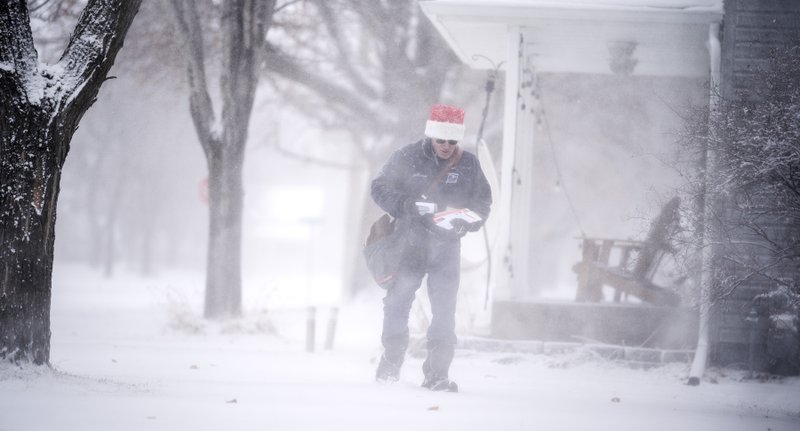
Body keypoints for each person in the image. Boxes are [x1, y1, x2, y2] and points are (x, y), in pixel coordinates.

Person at [370, 103, 492, 392]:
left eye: (453, 141)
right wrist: (405, 206)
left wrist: (468, 222)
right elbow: (379, 187)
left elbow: (483, 202)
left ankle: (437, 375)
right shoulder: (407, 157)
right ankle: (392, 358)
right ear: (431, 136)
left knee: (444, 312)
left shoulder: (469, 164)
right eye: (441, 140)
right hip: (408, 245)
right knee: (398, 304)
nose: (447, 147)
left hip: (447, 248)